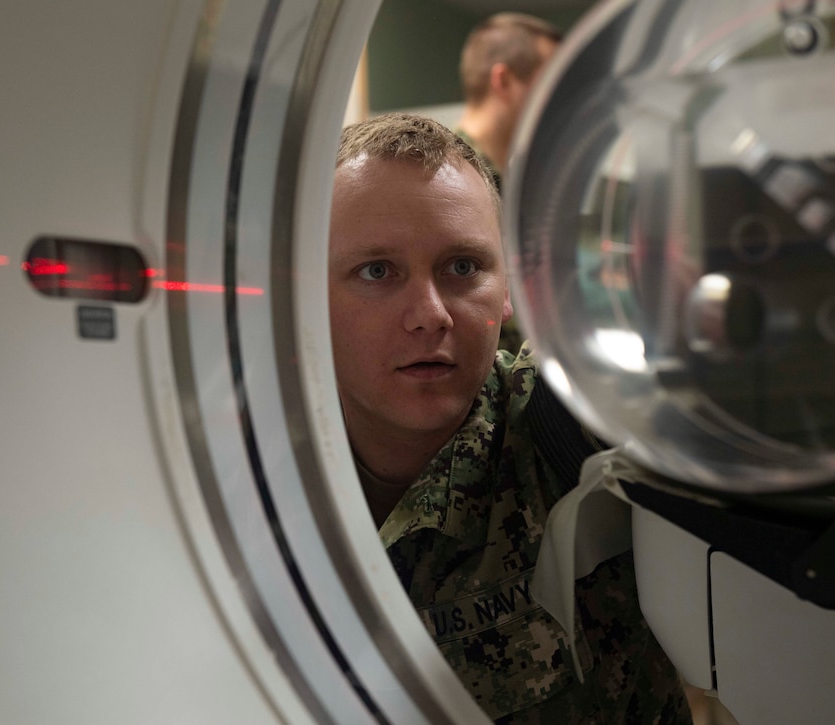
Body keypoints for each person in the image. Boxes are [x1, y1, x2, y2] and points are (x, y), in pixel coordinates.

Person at [329, 111, 690, 723]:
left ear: (508, 290)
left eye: (463, 267)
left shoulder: (563, 421)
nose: (430, 314)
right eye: (376, 272)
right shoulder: (238, 480)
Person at [456, 12, 562, 355]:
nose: (562, 100)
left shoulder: (508, 184)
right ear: (503, 81)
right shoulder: (448, 182)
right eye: (552, 83)